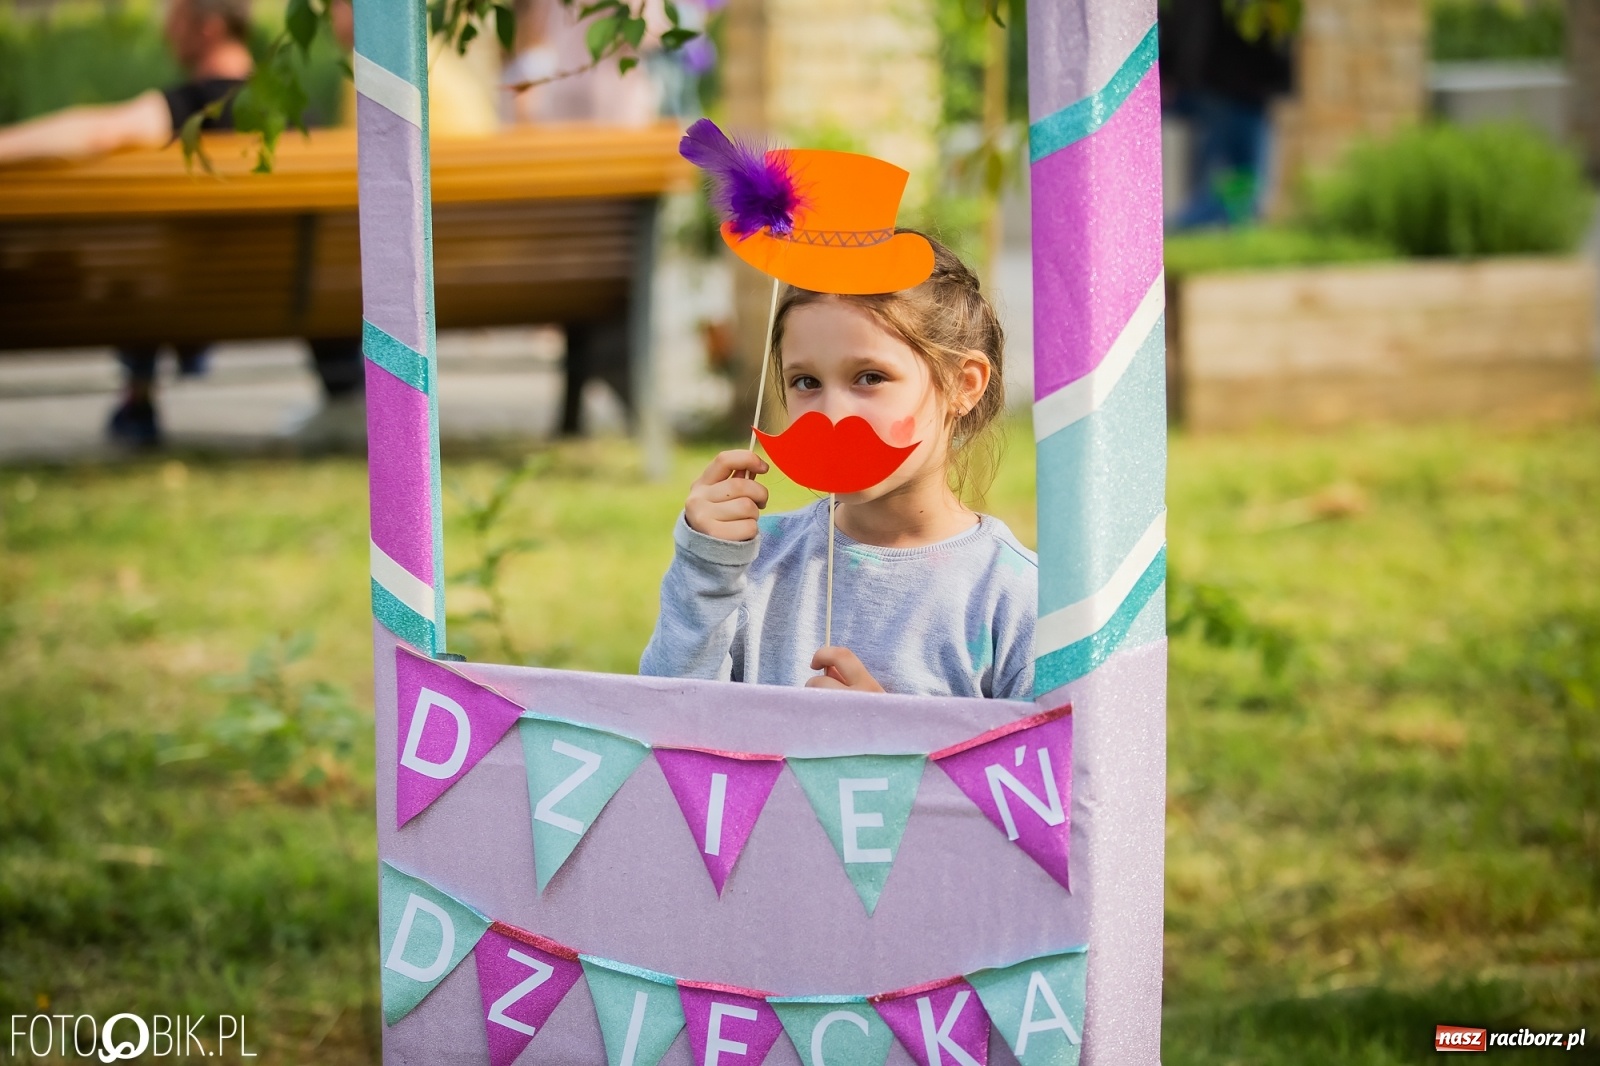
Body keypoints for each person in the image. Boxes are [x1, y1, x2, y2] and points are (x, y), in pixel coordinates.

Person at [639, 237, 1037, 699]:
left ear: (963, 385)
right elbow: (668, 729)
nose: (830, 414)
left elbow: (1040, 768)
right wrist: (704, 573)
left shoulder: (1016, 599)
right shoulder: (752, 564)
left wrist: (888, 739)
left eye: (870, 377)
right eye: (806, 382)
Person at [0, 0, 255, 446]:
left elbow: (97, 133)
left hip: (182, 296)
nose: (166, 30)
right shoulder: (298, 114)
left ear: (209, 28)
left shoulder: (192, 109)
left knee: (137, 270)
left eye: (175, 17)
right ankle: (343, 382)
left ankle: (138, 399)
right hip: (273, 294)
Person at [1159, 0, 1294, 229]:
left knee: (1238, 183)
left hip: (1239, 87)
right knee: (1223, 186)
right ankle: (1176, 232)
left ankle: (1217, 231)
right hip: (1229, 85)